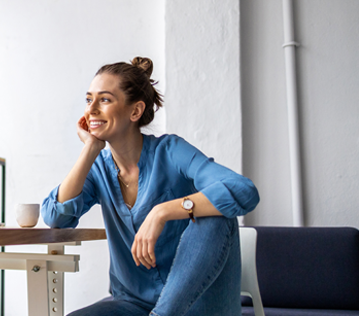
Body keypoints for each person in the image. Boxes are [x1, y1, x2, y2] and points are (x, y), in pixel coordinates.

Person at [41, 57, 259, 316]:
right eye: (89, 100)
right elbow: (56, 217)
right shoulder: (99, 167)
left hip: (199, 305)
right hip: (133, 305)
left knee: (216, 215)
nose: (91, 110)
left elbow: (244, 190)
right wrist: (89, 149)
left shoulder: (171, 152)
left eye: (105, 100)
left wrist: (163, 211)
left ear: (135, 112)